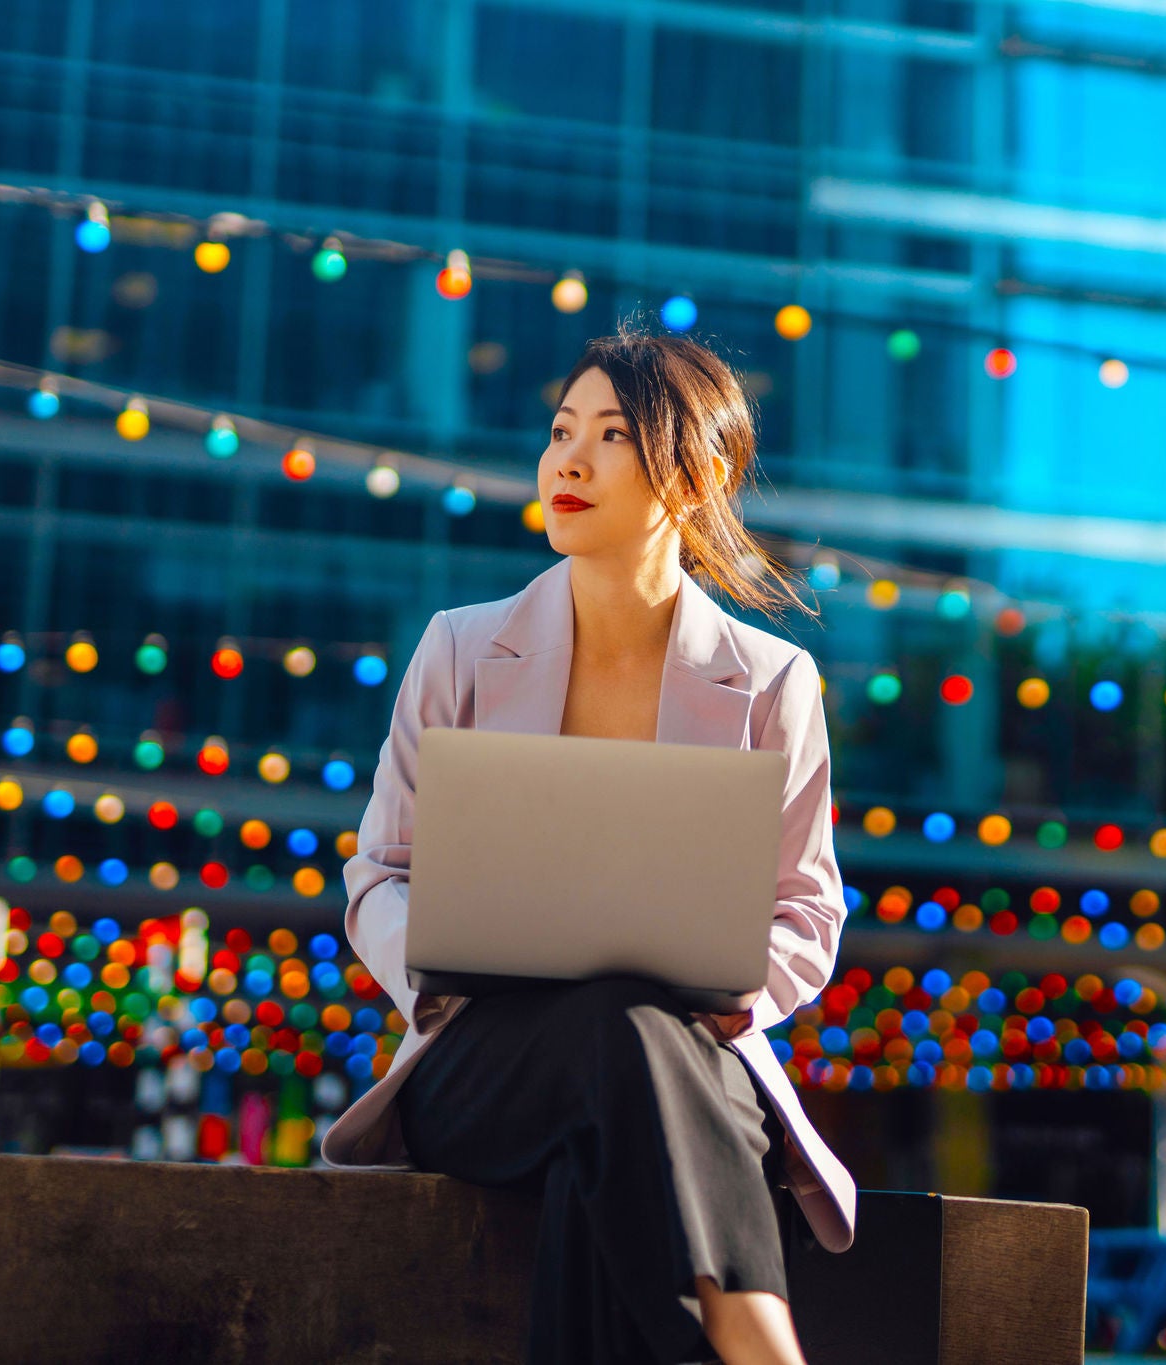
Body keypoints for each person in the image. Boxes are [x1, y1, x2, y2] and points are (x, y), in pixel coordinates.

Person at [321, 323, 854, 1365]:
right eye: (561, 430)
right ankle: (755, 1337)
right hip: (481, 1063)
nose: (566, 460)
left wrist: (745, 991)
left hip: (682, 1063)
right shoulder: (460, 649)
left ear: (694, 478)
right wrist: (423, 961)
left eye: (610, 436)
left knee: (610, 1090)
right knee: (611, 1035)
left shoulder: (772, 679)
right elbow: (377, 875)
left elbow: (807, 909)